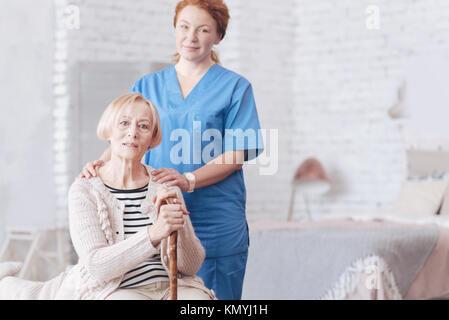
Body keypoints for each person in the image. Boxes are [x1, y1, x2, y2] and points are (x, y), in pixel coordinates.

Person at [80, 0, 264, 300]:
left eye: (203, 30)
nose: (191, 37)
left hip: (216, 222)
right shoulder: (147, 85)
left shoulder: (235, 87)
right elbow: (126, 137)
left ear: (218, 36)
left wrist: (187, 179)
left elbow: (237, 153)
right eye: (184, 27)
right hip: (156, 218)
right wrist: (98, 166)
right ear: (175, 30)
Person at [0, 93, 215, 300]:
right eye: (124, 123)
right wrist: (155, 233)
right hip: (117, 289)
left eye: (143, 126)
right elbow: (98, 266)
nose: (133, 132)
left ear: (152, 138)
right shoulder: (85, 190)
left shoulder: (166, 186)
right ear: (108, 131)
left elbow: (190, 266)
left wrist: (178, 226)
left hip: (174, 287)